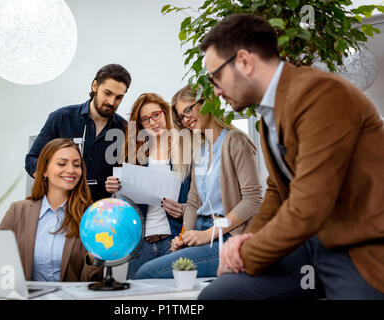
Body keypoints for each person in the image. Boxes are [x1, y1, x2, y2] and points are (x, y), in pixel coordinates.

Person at [198, 13, 384, 300]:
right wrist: (247, 242)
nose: (216, 90)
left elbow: (309, 205)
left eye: (216, 76)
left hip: (357, 245)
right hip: (311, 244)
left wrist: (245, 253)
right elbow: (276, 188)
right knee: (220, 294)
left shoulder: (321, 94)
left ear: (245, 61)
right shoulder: (269, 111)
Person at [133, 85, 263, 279]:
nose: (186, 119)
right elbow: (193, 201)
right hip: (201, 232)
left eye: (188, 109)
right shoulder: (200, 150)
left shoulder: (235, 141)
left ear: (206, 102)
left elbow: (253, 200)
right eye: (181, 116)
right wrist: (184, 235)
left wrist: (210, 233)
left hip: (226, 236)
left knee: (147, 273)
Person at [105, 93, 191, 279]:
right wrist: (115, 190)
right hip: (140, 245)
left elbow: (199, 198)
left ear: (166, 114)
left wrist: (183, 210)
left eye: (156, 115)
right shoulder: (135, 156)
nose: (152, 122)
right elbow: (124, 205)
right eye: (145, 119)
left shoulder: (185, 151)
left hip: (174, 241)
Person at [0, 138, 103, 282]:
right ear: (44, 170)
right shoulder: (18, 211)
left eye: (77, 165)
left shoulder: (91, 217)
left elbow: (92, 283)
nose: (71, 170)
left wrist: (94, 259)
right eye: (62, 163)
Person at [25, 64, 131, 202]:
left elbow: (129, 178)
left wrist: (120, 183)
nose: (111, 102)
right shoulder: (61, 118)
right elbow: (32, 159)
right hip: (58, 207)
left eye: (118, 97)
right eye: (107, 93)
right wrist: (54, 175)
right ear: (95, 86)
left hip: (98, 214)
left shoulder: (125, 130)